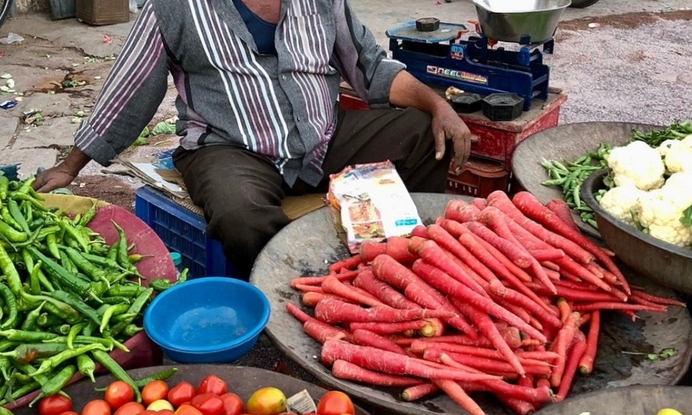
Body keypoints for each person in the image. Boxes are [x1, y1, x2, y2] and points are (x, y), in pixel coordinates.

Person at [32, 0, 474, 279]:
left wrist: (438, 106)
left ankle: (410, 263)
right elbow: (131, 87)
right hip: (230, 148)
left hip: (322, 138)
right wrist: (70, 166)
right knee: (241, 214)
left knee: (421, 134)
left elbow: (371, 68)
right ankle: (296, 292)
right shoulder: (174, 8)